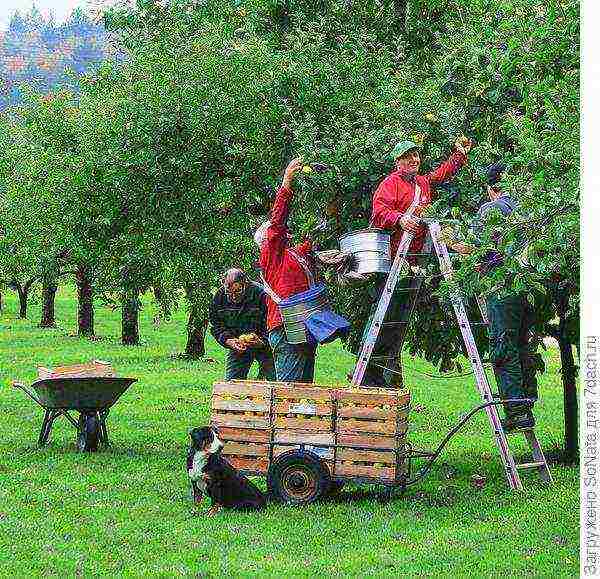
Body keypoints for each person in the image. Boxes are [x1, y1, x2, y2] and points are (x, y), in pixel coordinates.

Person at [363, 136, 472, 387]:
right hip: (392, 260)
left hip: (413, 260)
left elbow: (440, 175)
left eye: (416, 156)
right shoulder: (390, 184)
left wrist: (459, 155)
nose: (414, 160)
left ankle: (383, 372)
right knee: (383, 312)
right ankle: (368, 367)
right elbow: (378, 211)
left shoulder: (423, 183)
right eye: (408, 157)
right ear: (398, 161)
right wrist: (400, 219)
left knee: (398, 318)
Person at [447, 162, 538, 431]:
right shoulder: (528, 209)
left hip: (503, 289)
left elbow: (472, 249)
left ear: (491, 189)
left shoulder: (492, 209)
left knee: (503, 347)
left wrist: (448, 239)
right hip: (529, 287)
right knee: (523, 344)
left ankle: (517, 411)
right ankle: (526, 402)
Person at [255, 158, 318, 383]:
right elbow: (277, 223)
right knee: (289, 391)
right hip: (285, 327)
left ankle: (299, 419)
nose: (284, 234)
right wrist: (287, 185)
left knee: (305, 389)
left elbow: (313, 242)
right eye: (275, 235)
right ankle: (284, 419)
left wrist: (331, 211)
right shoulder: (271, 256)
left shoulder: (294, 255)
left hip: (305, 324)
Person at [209, 268, 275, 381]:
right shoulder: (220, 296)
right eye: (229, 292)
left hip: (266, 348)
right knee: (232, 384)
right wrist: (228, 340)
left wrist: (262, 341)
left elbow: (273, 323)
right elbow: (216, 324)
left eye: (237, 291)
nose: (233, 296)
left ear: (246, 284)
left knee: (272, 382)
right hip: (238, 346)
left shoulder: (262, 294)